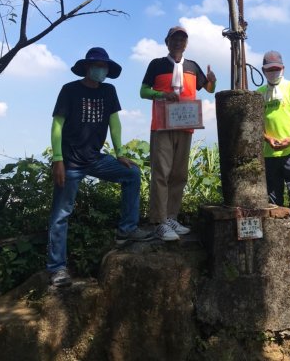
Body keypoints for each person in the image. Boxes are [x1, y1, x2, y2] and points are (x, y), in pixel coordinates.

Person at [47, 47, 151, 288]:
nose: (100, 70)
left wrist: (120, 154)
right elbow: (57, 125)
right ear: (87, 66)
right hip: (70, 162)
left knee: (132, 174)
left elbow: (115, 123)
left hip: (95, 159)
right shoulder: (69, 90)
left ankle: (126, 230)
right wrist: (57, 159)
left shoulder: (108, 91)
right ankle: (56, 269)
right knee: (61, 215)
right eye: (96, 65)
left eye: (104, 66)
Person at [140, 26, 216, 241]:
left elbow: (209, 88)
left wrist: (212, 79)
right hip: (162, 126)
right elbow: (143, 91)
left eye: (182, 39)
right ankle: (159, 222)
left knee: (179, 174)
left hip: (186, 125)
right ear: (167, 41)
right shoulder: (156, 64)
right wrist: (161, 94)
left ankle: (171, 217)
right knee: (161, 173)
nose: (178, 43)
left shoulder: (192, 66)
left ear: (186, 43)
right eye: (174, 39)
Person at [257, 51, 290, 258]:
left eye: (276, 69)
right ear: (263, 71)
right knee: (273, 199)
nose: (273, 72)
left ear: (283, 69)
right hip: (270, 153)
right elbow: (256, 122)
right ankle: (277, 242)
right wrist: (267, 138)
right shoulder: (259, 93)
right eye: (269, 69)